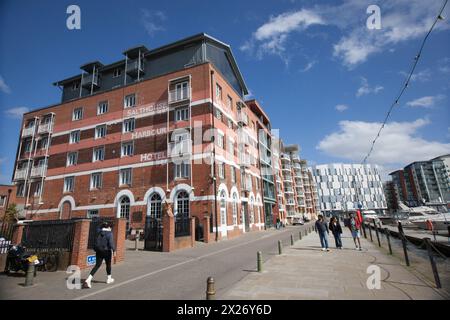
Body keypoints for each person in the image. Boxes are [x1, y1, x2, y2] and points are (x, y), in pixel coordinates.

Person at [84, 222, 116, 288]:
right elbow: (111, 244)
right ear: (109, 227)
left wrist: (102, 224)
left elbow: (98, 227)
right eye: (111, 228)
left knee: (97, 265)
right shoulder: (109, 234)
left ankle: (88, 279)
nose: (111, 229)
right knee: (108, 265)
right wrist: (114, 250)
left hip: (98, 250)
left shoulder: (99, 231)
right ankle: (109, 279)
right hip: (107, 251)